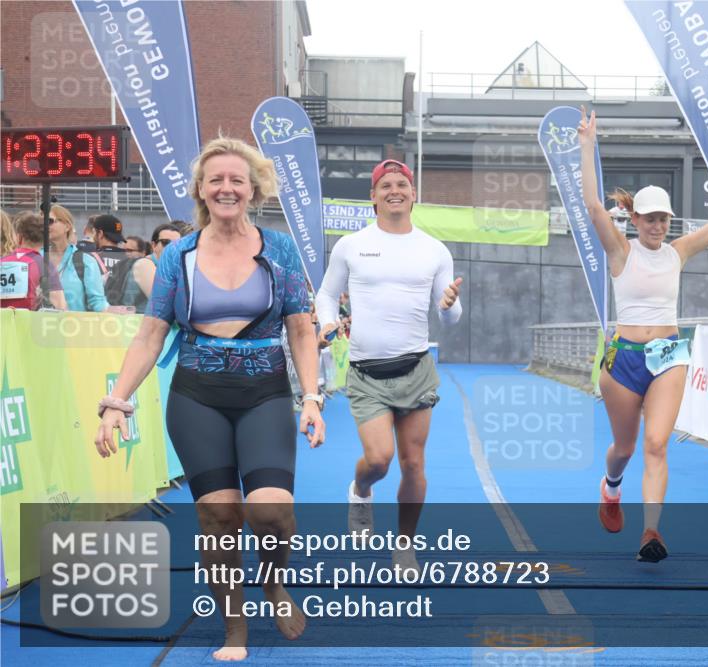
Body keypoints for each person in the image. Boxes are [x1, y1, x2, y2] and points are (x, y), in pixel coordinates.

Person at [93, 137, 324, 661]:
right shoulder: (179, 255)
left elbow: (302, 330)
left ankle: (273, 584)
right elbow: (151, 335)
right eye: (215, 179)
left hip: (265, 392)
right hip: (197, 396)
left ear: (253, 188)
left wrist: (311, 396)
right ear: (201, 189)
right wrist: (115, 402)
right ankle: (234, 623)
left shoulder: (280, 249)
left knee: (271, 514)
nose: (226, 188)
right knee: (219, 517)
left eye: (236, 180)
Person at [578, 107, 708, 562]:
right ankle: (610, 487)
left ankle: (650, 533)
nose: (658, 226)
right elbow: (594, 206)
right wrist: (587, 145)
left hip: (668, 355)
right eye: (650, 218)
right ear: (635, 218)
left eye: (664, 219)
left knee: (657, 443)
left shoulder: (678, 252)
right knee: (625, 447)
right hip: (624, 359)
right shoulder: (620, 250)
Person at [316, 159, 462, 570]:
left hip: (415, 369)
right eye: (385, 185)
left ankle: (404, 544)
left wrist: (450, 306)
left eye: (402, 184)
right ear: (373, 197)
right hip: (366, 373)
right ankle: (361, 490)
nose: (394, 190)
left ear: (413, 194)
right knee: (379, 460)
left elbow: (449, 315)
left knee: (413, 463)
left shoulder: (434, 249)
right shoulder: (351, 244)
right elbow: (327, 294)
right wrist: (328, 321)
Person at [48, 204, 109, 312]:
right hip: (37, 326)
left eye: (49, 221)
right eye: (40, 223)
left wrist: (115, 314)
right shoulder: (35, 258)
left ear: (67, 226)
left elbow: (97, 302)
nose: (44, 226)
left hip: (73, 326)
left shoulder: (85, 261)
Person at [1, 212, 67, 310]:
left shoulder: (2, 261)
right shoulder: (44, 265)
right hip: (31, 321)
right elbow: (59, 304)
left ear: (19, 237)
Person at [123, 222, 183, 314]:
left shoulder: (169, 267)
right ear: (154, 245)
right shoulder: (144, 265)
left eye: (177, 244)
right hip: (136, 324)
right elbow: (162, 302)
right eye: (166, 243)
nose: (172, 247)